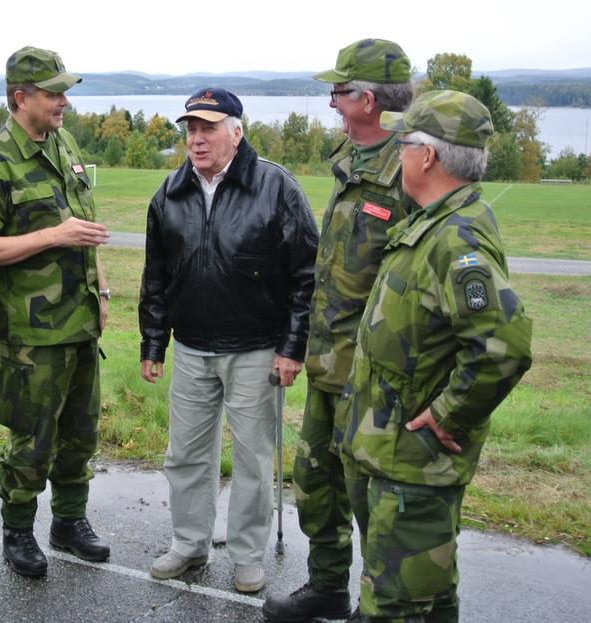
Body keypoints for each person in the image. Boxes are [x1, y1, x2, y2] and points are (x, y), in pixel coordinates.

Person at [341, 90, 533, 621]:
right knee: (428, 600)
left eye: (404, 143)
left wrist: (450, 414)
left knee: (399, 607)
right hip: (391, 457)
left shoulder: (458, 238)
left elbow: (503, 345)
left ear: (427, 157)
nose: (398, 152)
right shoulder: (433, 222)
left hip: (413, 466)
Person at [138, 87, 318, 593]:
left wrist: (293, 346)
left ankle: (246, 554)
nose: (197, 139)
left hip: (257, 348)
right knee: (186, 454)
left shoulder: (276, 187)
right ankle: (190, 544)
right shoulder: (169, 194)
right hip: (192, 347)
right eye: (191, 129)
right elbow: (156, 278)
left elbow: (306, 275)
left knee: (254, 459)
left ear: (236, 132)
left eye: (208, 128)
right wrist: (154, 344)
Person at [264, 38, 416, 622]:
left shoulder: (410, 168)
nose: (330, 102)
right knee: (315, 481)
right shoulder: (351, 159)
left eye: (338, 91)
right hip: (330, 362)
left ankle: (377, 603)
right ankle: (326, 584)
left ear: (368, 99)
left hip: (375, 372)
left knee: (368, 495)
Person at [0, 46, 111, 577]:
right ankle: (18, 531)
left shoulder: (63, 143)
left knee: (81, 433)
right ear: (21, 98)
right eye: (53, 93)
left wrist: (103, 289)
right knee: (32, 438)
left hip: (81, 321)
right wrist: (54, 234)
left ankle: (69, 522)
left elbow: (84, 228)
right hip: (33, 331)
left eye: (64, 91)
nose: (63, 102)